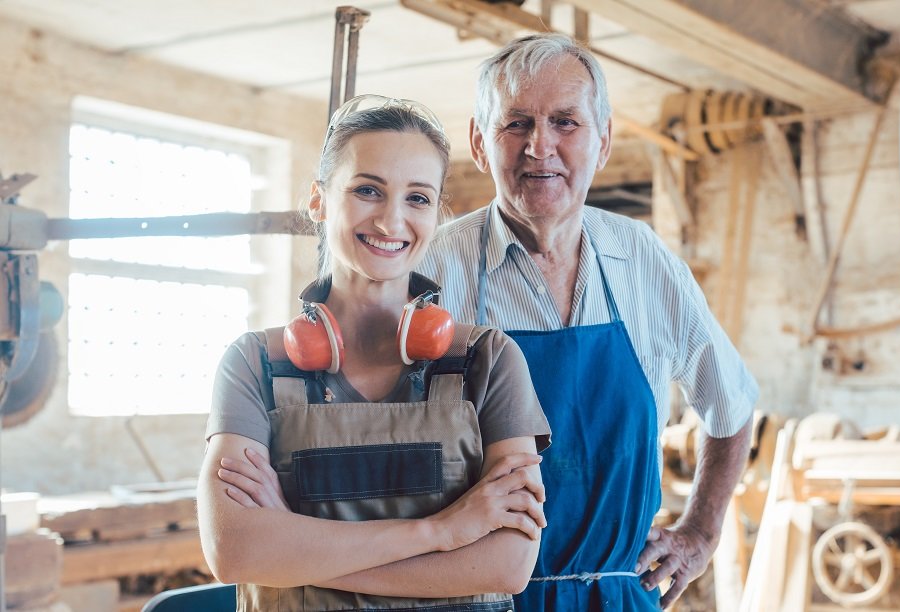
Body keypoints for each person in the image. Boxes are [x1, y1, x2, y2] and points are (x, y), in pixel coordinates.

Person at [415, 34, 759, 610]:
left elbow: (732, 404)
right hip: (470, 600)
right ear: (479, 142)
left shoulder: (643, 258)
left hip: (616, 596)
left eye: (566, 123)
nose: (539, 146)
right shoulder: (429, 270)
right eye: (516, 124)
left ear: (602, 141)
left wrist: (701, 533)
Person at [196, 95, 552, 611]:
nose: (391, 221)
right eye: (367, 190)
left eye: (418, 198)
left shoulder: (487, 361)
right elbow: (235, 550)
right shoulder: (255, 364)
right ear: (319, 200)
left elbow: (506, 565)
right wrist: (446, 530)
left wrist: (296, 548)